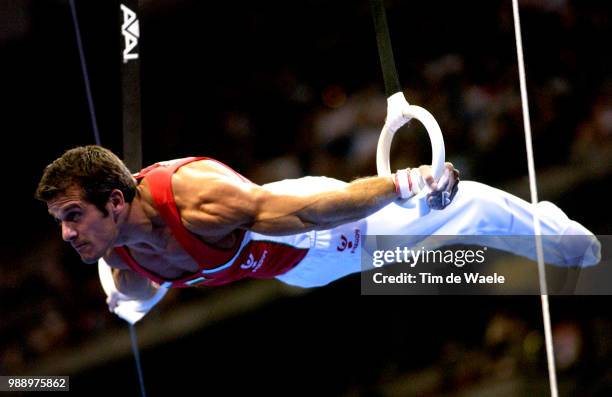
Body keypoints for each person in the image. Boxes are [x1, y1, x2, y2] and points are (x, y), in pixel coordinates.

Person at [36, 146, 600, 323]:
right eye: (61, 220)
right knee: (125, 305)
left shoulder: (199, 200)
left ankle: (560, 237)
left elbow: (309, 214)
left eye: (72, 216)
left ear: (115, 202)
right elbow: (134, 296)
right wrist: (122, 283)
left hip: (315, 234)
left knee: (467, 207)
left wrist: (401, 182)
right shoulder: (119, 248)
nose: (65, 234)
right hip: (290, 271)